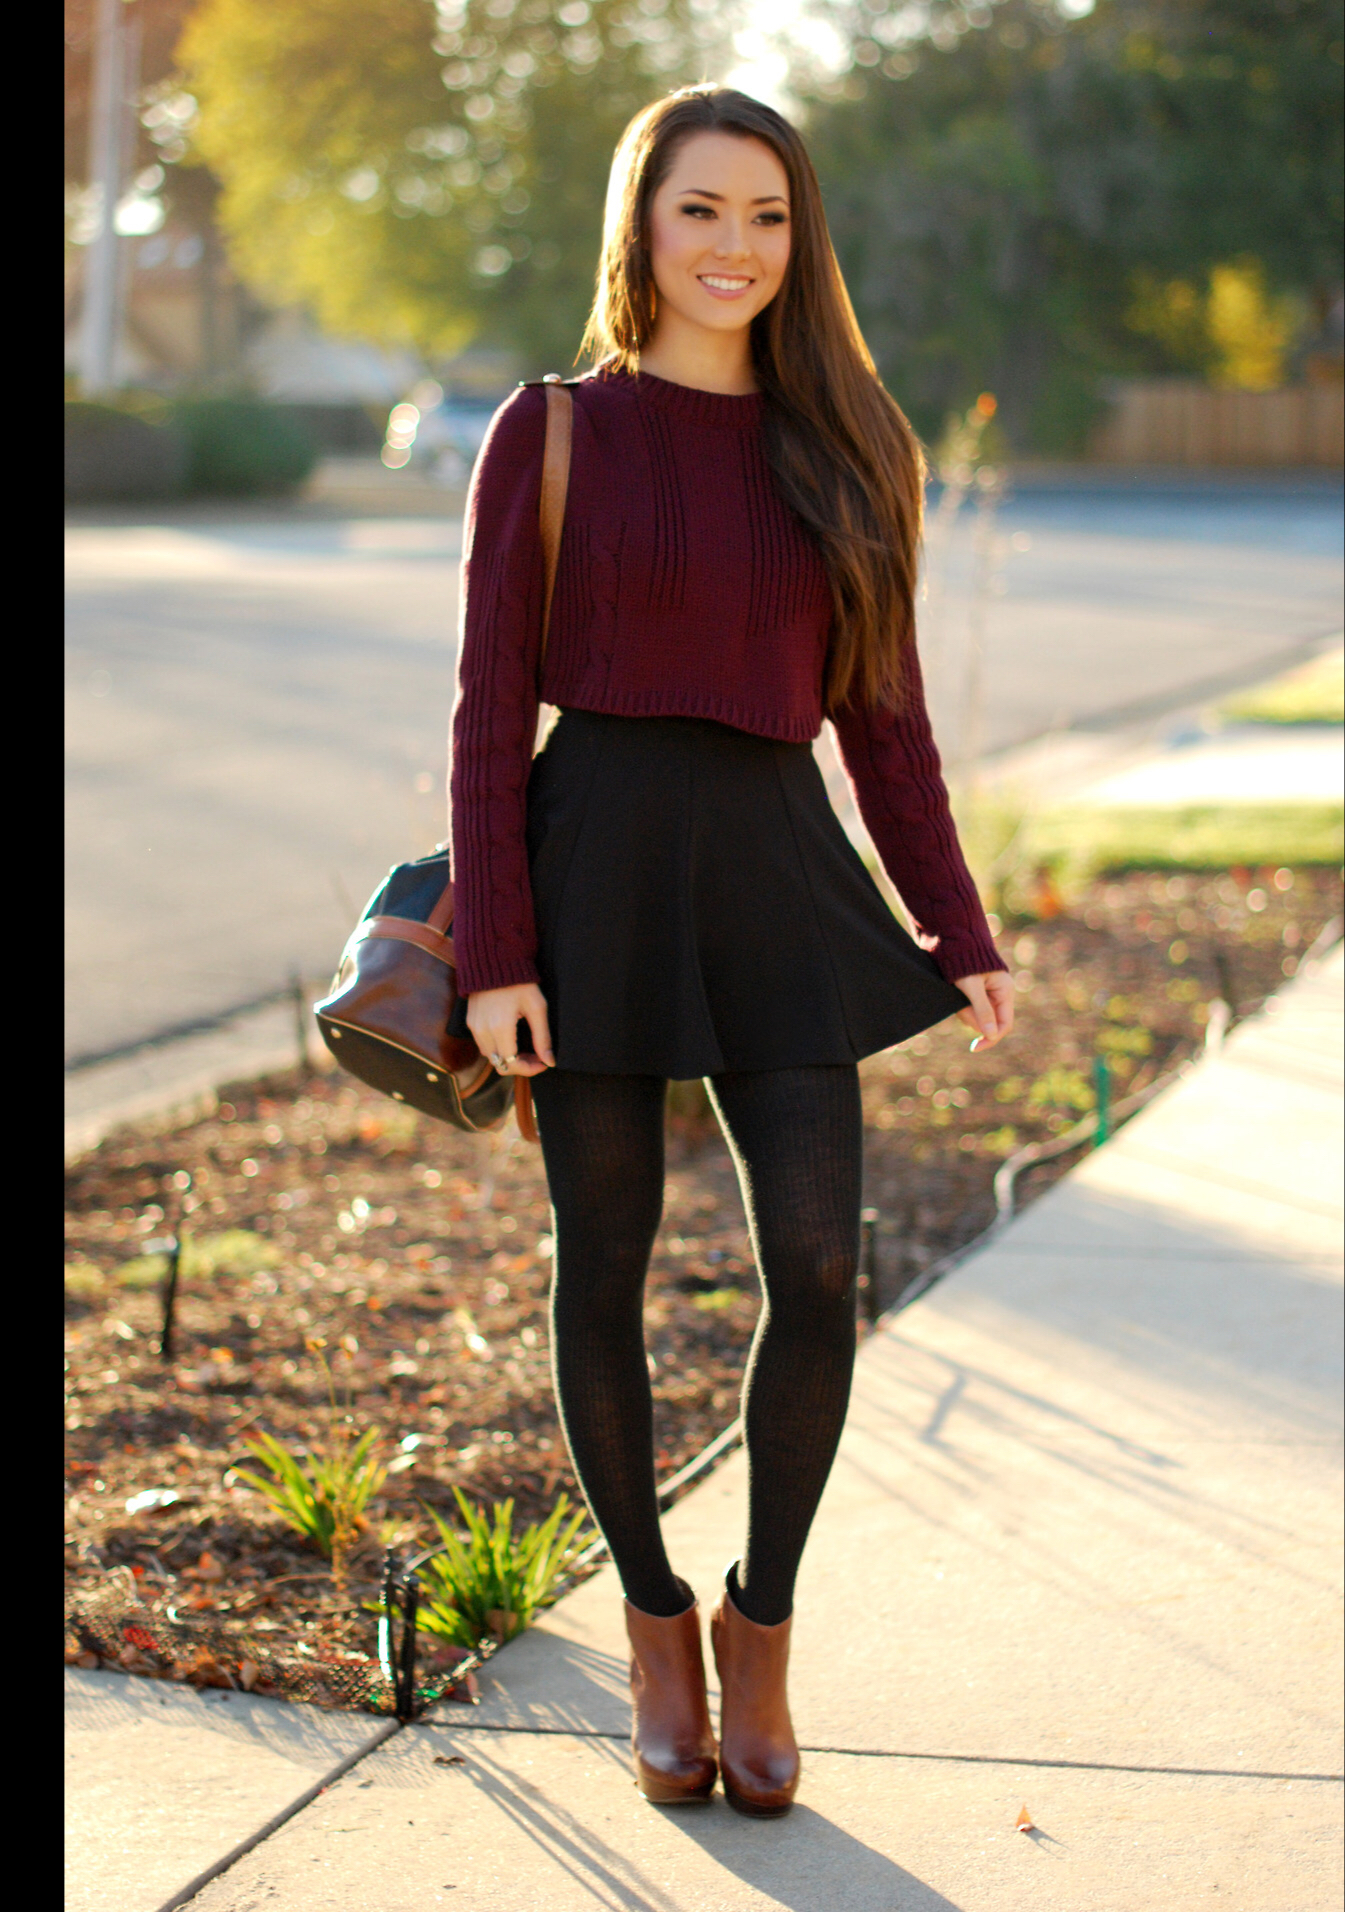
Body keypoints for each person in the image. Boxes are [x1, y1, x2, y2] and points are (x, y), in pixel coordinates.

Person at [449, 85, 1013, 1818]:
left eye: (766, 216)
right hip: (593, 865)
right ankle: (653, 1626)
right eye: (701, 211)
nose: (734, 249)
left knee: (823, 1273)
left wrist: (955, 922)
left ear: (801, 236)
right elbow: (486, 712)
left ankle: (760, 1626)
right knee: (599, 1269)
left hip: (779, 874)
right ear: (642, 225)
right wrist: (495, 945)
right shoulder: (549, 434)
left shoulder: (849, 446)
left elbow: (886, 722)